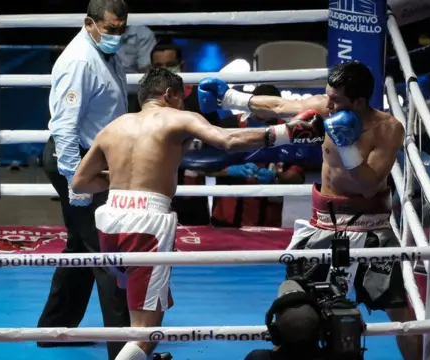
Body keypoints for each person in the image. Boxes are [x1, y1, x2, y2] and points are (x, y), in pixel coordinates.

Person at [69, 67, 325, 360]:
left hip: (109, 218)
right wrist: (287, 132)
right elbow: (228, 141)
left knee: (147, 315)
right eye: (180, 99)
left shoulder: (113, 127)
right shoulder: (179, 118)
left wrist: (119, 177)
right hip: (146, 224)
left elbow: (80, 182)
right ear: (170, 95)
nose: (182, 105)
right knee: (145, 334)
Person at [197, 61, 422, 360]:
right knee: (295, 303)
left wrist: (347, 146)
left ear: (358, 101)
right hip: (323, 225)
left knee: (398, 309)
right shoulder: (325, 108)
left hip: (370, 228)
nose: (328, 104)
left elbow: (368, 185)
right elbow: (278, 105)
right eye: (328, 95)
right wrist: (231, 98)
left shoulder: (387, 128)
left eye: (336, 99)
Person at [38, 1, 130, 359]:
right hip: (76, 159)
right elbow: (64, 127)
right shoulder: (79, 60)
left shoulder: (103, 52)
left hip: (94, 159)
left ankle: (54, 329)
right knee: (107, 249)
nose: (117, 35)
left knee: (81, 245)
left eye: (122, 29)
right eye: (111, 28)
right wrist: (76, 179)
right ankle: (125, 346)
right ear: (89, 23)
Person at [144, 38, 216, 225]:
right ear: (151, 69)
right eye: (159, 66)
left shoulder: (201, 101)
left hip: (193, 193)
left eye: (170, 65)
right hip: (153, 192)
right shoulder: (142, 102)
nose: (165, 70)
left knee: (195, 247)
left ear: (181, 66)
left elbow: (215, 147)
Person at [211, 84, 305, 227]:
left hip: (268, 219)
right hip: (227, 217)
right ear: (253, 104)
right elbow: (207, 167)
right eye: (263, 106)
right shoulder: (229, 125)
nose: (267, 111)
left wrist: (277, 177)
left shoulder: (290, 131)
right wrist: (230, 170)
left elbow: (298, 176)